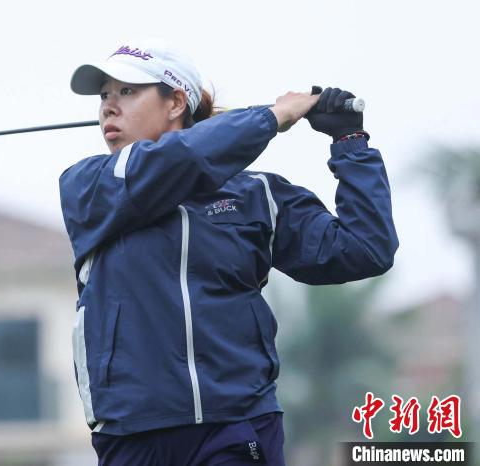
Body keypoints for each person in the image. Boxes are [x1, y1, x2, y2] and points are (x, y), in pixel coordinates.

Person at [58, 39, 398, 466]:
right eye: (105, 96)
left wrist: (350, 141)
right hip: (133, 434)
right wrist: (273, 117)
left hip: (237, 425)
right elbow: (183, 158)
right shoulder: (89, 186)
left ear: (175, 102)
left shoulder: (256, 194)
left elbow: (365, 249)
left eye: (127, 91)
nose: (108, 106)